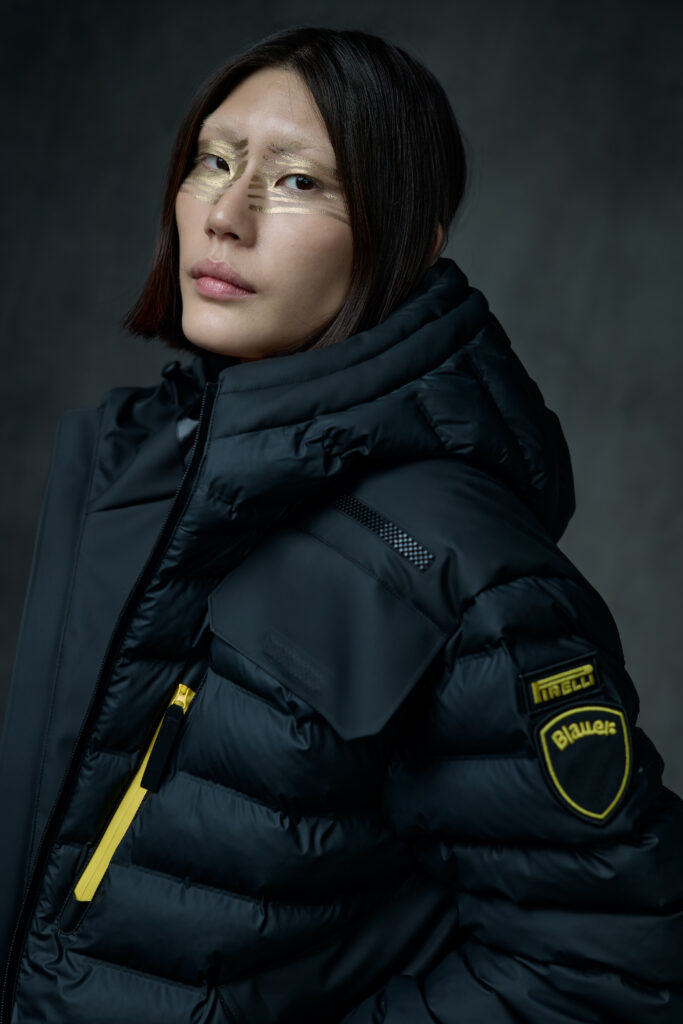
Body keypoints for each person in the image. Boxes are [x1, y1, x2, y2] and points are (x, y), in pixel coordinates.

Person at [1, 23, 681, 1024]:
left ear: (406, 242)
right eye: (213, 161)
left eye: (296, 182)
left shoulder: (457, 558)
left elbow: (609, 967)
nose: (225, 215)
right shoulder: (136, 465)